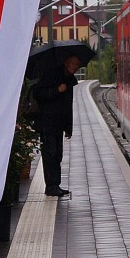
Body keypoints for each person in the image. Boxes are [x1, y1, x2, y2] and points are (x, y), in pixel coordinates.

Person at [33, 53, 83, 197]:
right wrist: (56, 90)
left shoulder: (69, 80)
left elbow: (68, 106)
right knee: (50, 154)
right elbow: (38, 93)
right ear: (66, 63)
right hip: (46, 122)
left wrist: (68, 128)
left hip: (58, 124)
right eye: (73, 63)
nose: (75, 67)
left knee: (57, 155)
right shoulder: (52, 75)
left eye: (77, 65)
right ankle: (51, 186)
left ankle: (56, 184)